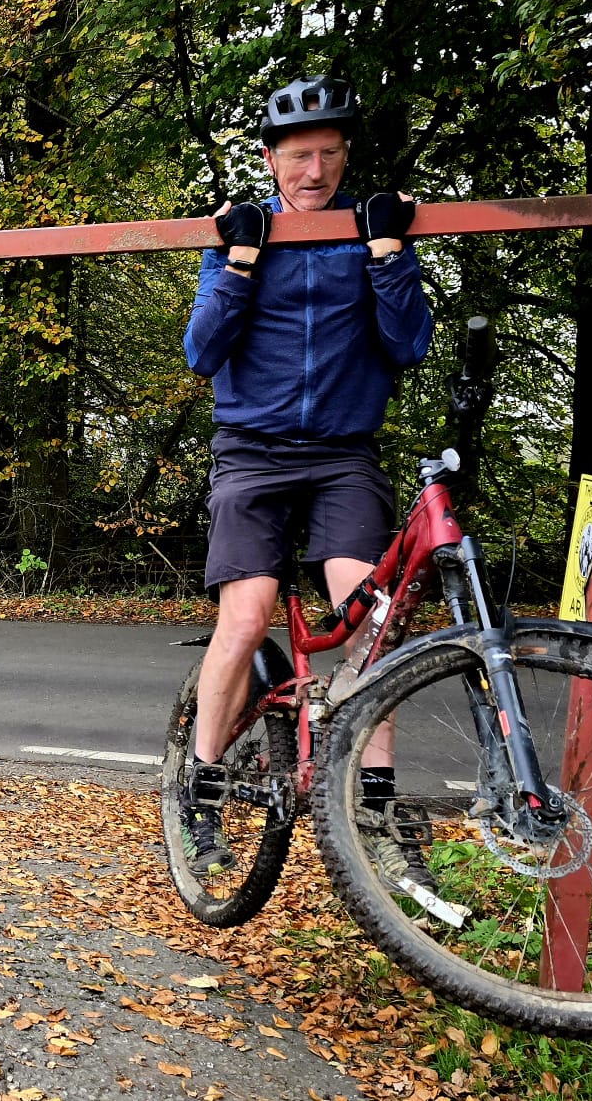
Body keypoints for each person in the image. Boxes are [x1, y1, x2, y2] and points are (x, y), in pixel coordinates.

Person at [181, 75, 435, 887]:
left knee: (369, 617)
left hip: (341, 454)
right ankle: (203, 784)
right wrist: (242, 261)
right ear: (270, 160)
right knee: (249, 615)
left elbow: (406, 347)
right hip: (250, 451)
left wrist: (389, 254)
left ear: (345, 156)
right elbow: (201, 352)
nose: (313, 170)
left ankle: (375, 798)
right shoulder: (235, 238)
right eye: (298, 156)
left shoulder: (371, 233)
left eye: (327, 154)